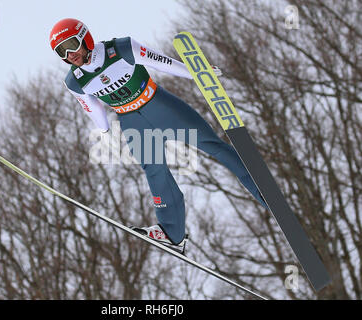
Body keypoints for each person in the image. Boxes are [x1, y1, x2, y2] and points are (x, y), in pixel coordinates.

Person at [49, 18, 267, 254]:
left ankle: (262, 189)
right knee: (155, 171)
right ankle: (173, 233)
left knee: (210, 143)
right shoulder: (75, 81)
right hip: (132, 121)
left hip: (158, 105)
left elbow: (163, 63)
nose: (70, 54)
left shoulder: (121, 48)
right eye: (62, 50)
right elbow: (91, 108)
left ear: (85, 38)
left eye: (71, 44)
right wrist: (102, 128)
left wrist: (198, 74)